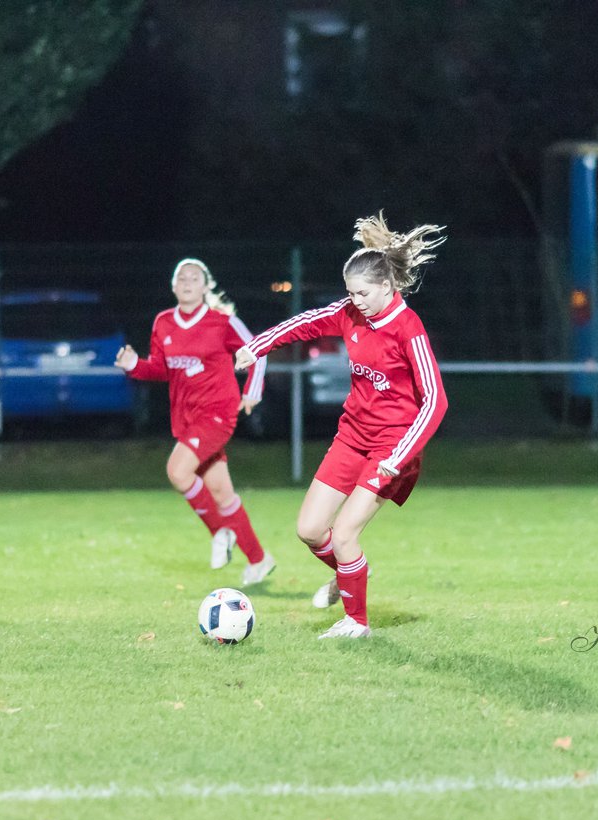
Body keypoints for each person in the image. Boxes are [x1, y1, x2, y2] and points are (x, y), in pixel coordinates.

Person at [235, 213, 449, 639]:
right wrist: (257, 346)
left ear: (388, 287)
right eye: (351, 293)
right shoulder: (350, 312)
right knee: (311, 530)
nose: (357, 301)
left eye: (364, 293)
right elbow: (306, 323)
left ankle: (357, 622)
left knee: (346, 532)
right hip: (352, 437)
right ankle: (351, 574)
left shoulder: (408, 329)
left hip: (392, 448)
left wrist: (399, 457)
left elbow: (436, 400)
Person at [114, 258, 276, 585]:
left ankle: (221, 534)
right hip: (185, 419)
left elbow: (258, 349)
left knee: (177, 471)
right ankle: (259, 560)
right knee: (221, 493)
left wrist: (252, 391)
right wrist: (134, 365)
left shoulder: (222, 322)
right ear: (173, 286)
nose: (187, 282)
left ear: (205, 287)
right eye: (181, 277)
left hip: (217, 413)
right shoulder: (163, 323)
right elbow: (162, 369)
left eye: (194, 278)